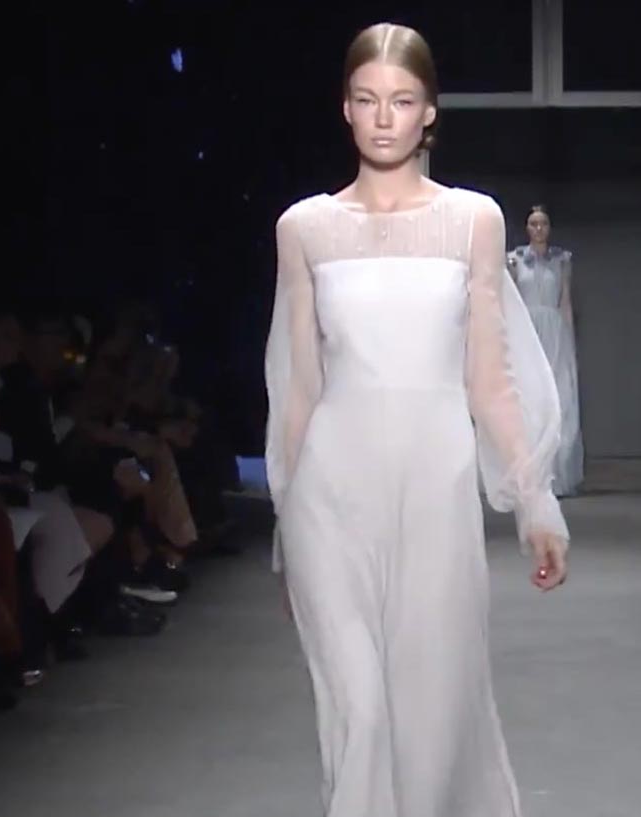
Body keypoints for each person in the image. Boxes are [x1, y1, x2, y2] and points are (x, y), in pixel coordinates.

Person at [263, 22, 570, 817]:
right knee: (359, 717)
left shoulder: (474, 221)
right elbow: (298, 386)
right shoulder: (304, 228)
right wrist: (283, 526)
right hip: (328, 496)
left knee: (433, 723)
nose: (383, 118)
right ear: (345, 108)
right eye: (367, 100)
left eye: (401, 101)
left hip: (436, 492)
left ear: (429, 111)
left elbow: (490, 378)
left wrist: (534, 502)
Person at [507, 204, 583, 495]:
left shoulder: (562, 260)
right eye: (533, 224)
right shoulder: (515, 260)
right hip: (526, 330)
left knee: (559, 397)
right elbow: (510, 302)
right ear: (527, 228)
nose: (539, 229)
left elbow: (565, 301)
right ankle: (526, 475)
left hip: (554, 331)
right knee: (527, 398)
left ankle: (556, 475)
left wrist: (569, 339)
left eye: (543, 224)